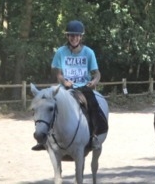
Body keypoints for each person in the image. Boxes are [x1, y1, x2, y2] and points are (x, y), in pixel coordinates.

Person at [33, 20, 106, 151]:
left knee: (94, 106)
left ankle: (94, 136)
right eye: (71, 35)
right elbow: (58, 73)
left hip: (83, 87)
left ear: (81, 37)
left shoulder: (89, 52)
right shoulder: (61, 52)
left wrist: (94, 82)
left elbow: (97, 73)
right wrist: (65, 82)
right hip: (64, 87)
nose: (74, 38)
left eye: (77, 36)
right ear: (67, 37)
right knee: (46, 105)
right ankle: (44, 138)